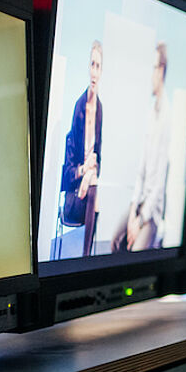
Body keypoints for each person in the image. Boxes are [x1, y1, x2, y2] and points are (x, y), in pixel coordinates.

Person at [111, 43, 171, 253]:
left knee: (134, 252)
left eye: (153, 68)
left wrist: (140, 220)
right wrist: (131, 211)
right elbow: (141, 170)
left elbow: (157, 185)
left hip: (152, 214)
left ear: (161, 70)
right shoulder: (150, 114)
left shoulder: (166, 118)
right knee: (115, 240)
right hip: (139, 205)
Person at [58, 40, 103, 254]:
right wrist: (84, 172)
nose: (94, 72)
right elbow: (66, 175)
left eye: (98, 66)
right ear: (88, 67)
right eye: (92, 65)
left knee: (95, 184)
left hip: (90, 194)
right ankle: (86, 259)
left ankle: (87, 258)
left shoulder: (100, 109)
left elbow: (99, 159)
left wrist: (90, 174)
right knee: (93, 183)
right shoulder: (79, 107)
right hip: (74, 199)